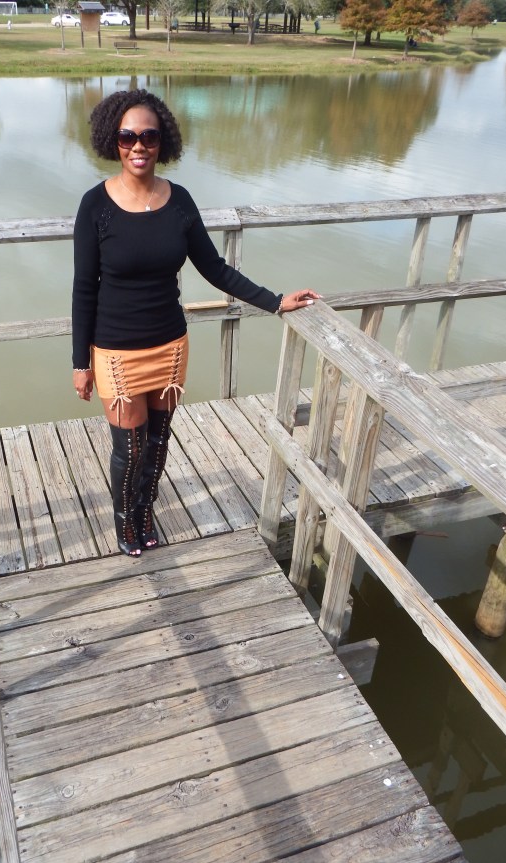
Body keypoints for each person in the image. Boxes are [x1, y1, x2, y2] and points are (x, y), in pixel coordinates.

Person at [72, 89, 320, 557]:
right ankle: (126, 522)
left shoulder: (180, 201)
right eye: (128, 137)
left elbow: (215, 269)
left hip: (169, 347)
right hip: (117, 352)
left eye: (149, 136)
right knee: (130, 449)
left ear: (162, 141)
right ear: (113, 141)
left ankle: (145, 512)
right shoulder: (95, 206)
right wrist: (80, 362)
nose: (139, 146)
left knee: (157, 443)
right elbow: (84, 288)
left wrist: (275, 301)